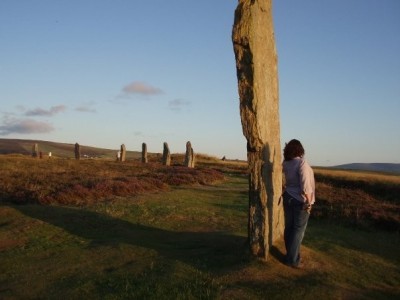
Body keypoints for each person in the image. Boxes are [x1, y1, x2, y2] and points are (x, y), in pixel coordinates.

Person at [282, 139, 315, 268]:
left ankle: (290, 255)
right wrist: (308, 201)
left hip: (288, 197)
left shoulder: (286, 163)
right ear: (300, 149)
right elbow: (305, 184)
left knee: (289, 228)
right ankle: (293, 260)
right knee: (298, 230)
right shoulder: (302, 163)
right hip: (300, 200)